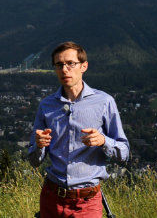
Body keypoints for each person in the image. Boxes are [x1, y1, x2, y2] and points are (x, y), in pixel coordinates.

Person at [28, 41, 129, 218]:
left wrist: (103, 141)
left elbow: (125, 152)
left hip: (87, 201)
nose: (64, 69)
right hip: (51, 197)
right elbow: (34, 161)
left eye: (70, 64)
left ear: (84, 66)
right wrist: (39, 146)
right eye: (59, 65)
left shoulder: (104, 102)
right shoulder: (46, 106)